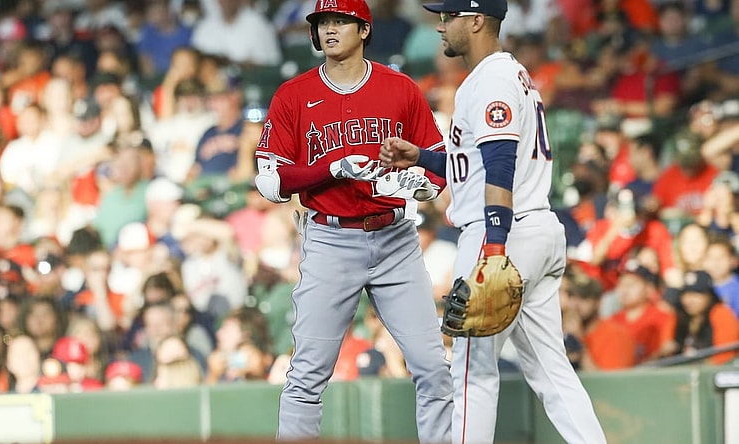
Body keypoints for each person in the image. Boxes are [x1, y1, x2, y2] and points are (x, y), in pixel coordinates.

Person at [379, 0, 606, 442]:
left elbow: (500, 165)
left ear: (477, 20)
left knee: (471, 372)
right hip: (535, 228)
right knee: (551, 371)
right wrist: (423, 156)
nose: (440, 26)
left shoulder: (493, 77)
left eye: (449, 17)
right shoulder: (508, 74)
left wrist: (495, 250)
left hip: (500, 232)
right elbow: (477, 163)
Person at [252, 0, 453, 442]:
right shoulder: (294, 94)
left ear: (363, 29)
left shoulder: (399, 88)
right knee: (306, 375)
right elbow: (270, 181)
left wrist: (421, 184)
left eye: (339, 20)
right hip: (330, 238)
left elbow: (440, 162)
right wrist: (334, 167)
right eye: (322, 21)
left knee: (434, 368)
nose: (329, 29)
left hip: (396, 237)